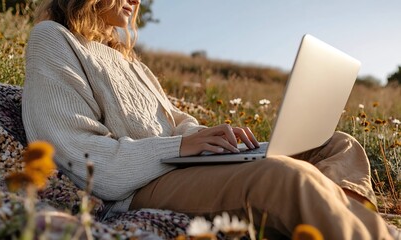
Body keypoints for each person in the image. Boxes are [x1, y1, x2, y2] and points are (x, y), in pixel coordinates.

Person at [22, 0, 397, 239]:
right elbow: (76, 151)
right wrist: (180, 146)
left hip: (182, 165)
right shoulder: (53, 39)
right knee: (285, 176)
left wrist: (212, 137)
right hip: (139, 185)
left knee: (338, 144)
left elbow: (175, 120)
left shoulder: (126, 59)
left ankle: (336, 221)